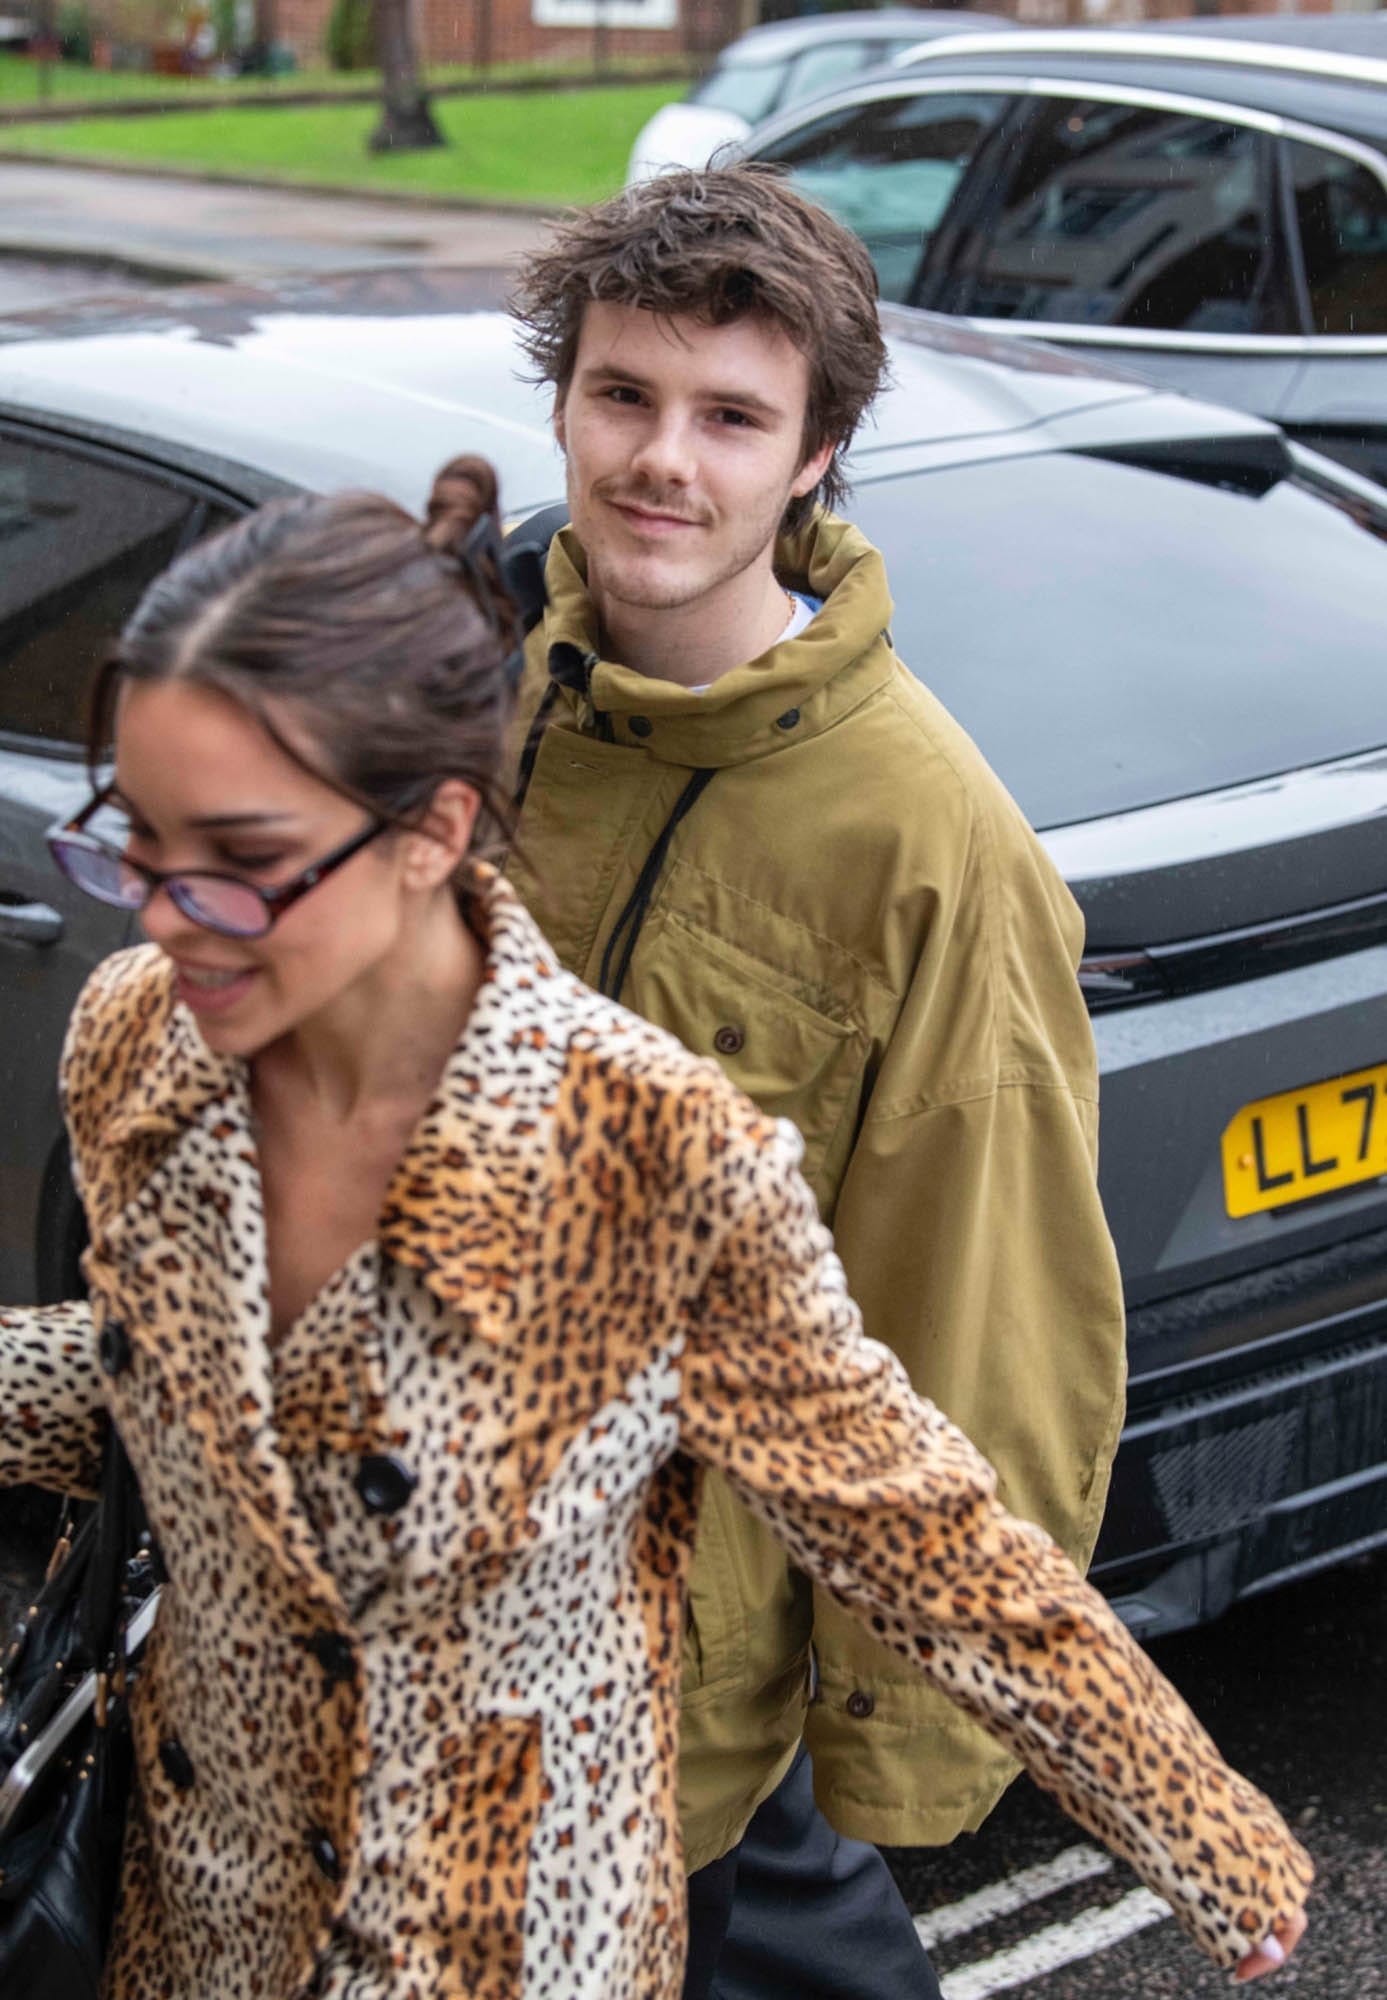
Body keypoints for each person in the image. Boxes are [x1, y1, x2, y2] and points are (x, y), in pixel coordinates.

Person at [0, 459, 1311, 2000]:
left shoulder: (645, 1155)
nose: (163, 917)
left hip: (499, 1937)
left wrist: (1200, 1829)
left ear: (430, 832)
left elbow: (909, 1522)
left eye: (238, 864)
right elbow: (161, 1372)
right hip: (201, 1912)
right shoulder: (145, 1044)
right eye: (135, 841)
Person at [504, 166, 1127, 1997]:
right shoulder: (509, 700)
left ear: (817, 451)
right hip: (421, 1624)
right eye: (623, 396)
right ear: (563, 403)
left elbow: (985, 1326)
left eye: (731, 417)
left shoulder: (933, 843)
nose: (660, 461)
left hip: (680, 1716)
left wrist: (900, 1737)